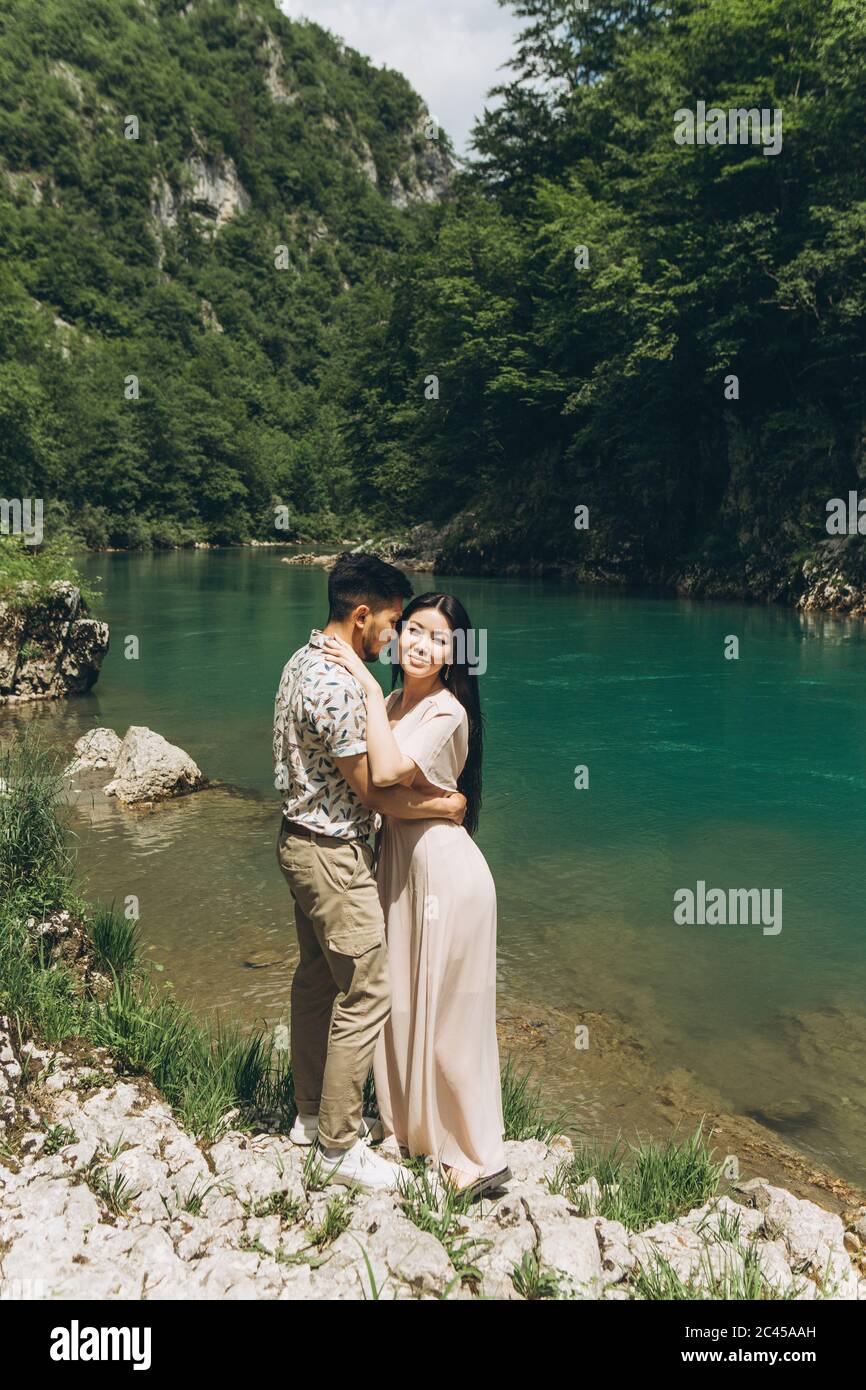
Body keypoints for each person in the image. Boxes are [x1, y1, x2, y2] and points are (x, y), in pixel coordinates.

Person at [273, 555, 467, 1193]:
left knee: (316, 983)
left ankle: (308, 1115)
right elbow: (378, 792)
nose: (394, 636)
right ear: (362, 616)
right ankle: (337, 1144)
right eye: (391, 622)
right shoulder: (340, 684)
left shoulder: (304, 661)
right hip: (332, 855)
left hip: (299, 842)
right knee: (368, 989)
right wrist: (445, 803)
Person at [322, 592, 511, 1201]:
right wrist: (442, 802)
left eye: (437, 636)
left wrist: (358, 673)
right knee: (400, 1004)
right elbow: (375, 793)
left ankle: (476, 1157)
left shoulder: (446, 712)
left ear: (455, 654)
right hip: (402, 870)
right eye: (412, 630)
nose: (420, 643)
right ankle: (410, 1132)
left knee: (452, 1018)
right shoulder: (398, 700)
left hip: (447, 877)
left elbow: (384, 776)